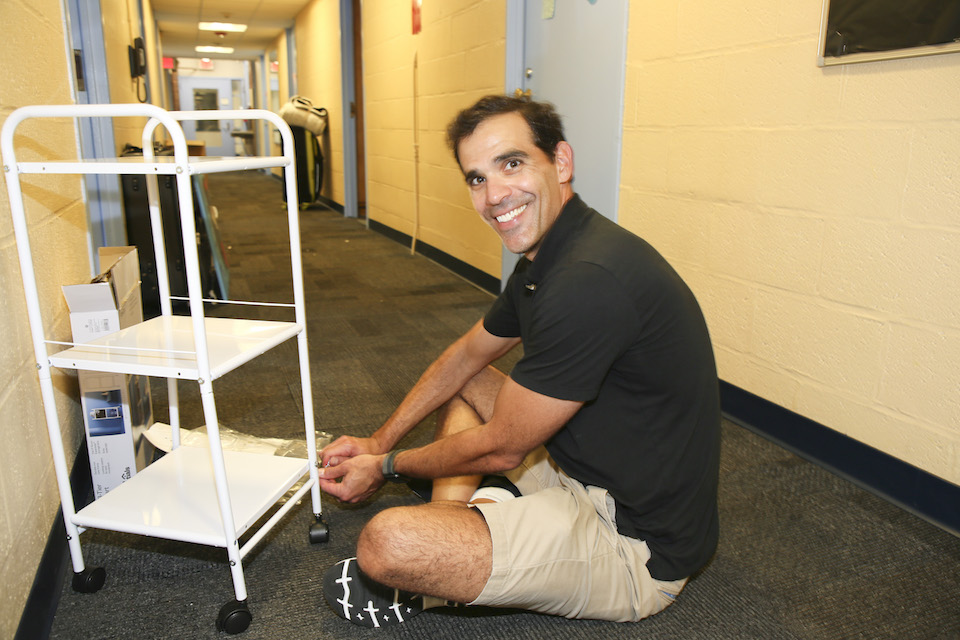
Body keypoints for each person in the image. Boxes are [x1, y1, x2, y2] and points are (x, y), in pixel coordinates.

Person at [317, 94, 720, 628]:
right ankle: (461, 526)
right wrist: (379, 440)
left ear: (561, 162)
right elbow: (466, 355)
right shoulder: (552, 254)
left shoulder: (587, 280)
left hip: (636, 549)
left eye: (512, 163)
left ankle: (457, 546)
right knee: (465, 380)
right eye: (476, 178)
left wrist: (386, 468)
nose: (494, 195)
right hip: (578, 472)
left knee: (387, 544)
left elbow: (505, 445)